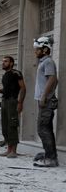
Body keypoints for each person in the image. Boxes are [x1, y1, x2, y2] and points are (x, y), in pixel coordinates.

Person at [32, 36, 58, 167]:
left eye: (37, 49)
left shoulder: (48, 62)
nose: (35, 51)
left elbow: (52, 79)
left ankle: (51, 158)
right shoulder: (44, 62)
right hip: (45, 100)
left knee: (42, 129)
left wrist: (44, 97)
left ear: (45, 49)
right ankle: (50, 155)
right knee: (46, 129)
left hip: (46, 101)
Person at [0, 56, 26, 158]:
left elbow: (23, 88)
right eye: (2, 61)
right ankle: (8, 150)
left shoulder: (16, 73)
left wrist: (20, 102)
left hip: (12, 101)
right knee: (5, 126)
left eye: (6, 61)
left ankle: (14, 151)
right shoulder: (5, 75)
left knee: (12, 124)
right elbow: (8, 88)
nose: (3, 63)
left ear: (11, 63)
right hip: (4, 101)